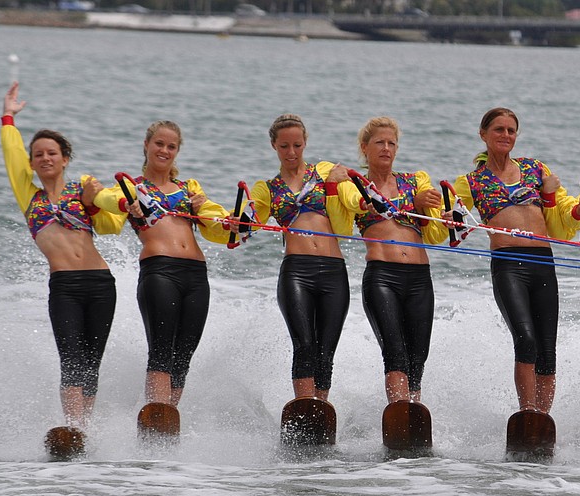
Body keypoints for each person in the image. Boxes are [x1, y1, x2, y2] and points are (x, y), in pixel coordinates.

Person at [0, 81, 124, 430]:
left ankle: (84, 427)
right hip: (65, 286)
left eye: (51, 152)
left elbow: (112, 222)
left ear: (64, 158)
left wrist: (98, 202)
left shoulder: (83, 185)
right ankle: (72, 428)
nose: (45, 158)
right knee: (71, 359)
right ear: (32, 163)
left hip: (101, 283)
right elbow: (11, 156)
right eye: (38, 154)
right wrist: (8, 117)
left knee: (91, 362)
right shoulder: (30, 196)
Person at [452, 107, 580, 414]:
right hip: (508, 264)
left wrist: (575, 209)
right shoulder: (471, 181)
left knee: (547, 350)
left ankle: (543, 418)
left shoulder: (535, 168)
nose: (506, 135)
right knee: (526, 340)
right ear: (483, 134)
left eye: (511, 130)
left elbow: (560, 211)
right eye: (499, 129)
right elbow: (447, 216)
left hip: (543, 262)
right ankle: (527, 412)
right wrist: (444, 216)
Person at [92, 120, 230, 407]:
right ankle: (156, 414)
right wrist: (123, 206)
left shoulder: (188, 188)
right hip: (159, 271)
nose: (164, 150)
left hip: (195, 275)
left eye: (171, 146)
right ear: (147, 145)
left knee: (184, 355)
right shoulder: (132, 189)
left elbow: (218, 224)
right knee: (161, 350)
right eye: (159, 144)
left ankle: (169, 416)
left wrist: (205, 208)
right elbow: (106, 214)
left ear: (177, 151)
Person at [232, 114, 354, 401]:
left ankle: (321, 408)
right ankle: (303, 404)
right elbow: (253, 218)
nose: (291, 152)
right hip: (297, 271)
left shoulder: (324, 172)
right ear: (274, 145)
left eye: (297, 145)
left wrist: (339, 184)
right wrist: (240, 222)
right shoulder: (267, 188)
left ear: (305, 143)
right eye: (284, 146)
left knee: (326, 350)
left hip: (334, 270)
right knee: (304, 345)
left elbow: (345, 221)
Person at [337, 116, 447, 404]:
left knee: (418, 357)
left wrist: (445, 218)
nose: (386, 148)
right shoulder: (355, 185)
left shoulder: (414, 181)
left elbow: (435, 234)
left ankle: (414, 412)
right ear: (365, 147)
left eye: (391, 143)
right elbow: (347, 206)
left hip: (420, 278)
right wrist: (413, 204)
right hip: (382, 277)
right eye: (379, 143)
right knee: (395, 353)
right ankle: (399, 409)